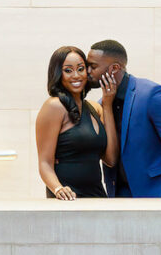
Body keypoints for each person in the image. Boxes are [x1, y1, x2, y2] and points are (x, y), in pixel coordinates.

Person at [86, 40, 161, 197]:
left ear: (114, 68)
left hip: (158, 194)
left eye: (93, 66)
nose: (87, 71)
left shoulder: (152, 94)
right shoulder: (102, 105)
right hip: (119, 197)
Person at [36, 46, 119, 200]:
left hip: (97, 196)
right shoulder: (54, 106)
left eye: (80, 69)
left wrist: (107, 105)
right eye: (68, 70)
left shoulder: (95, 108)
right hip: (67, 198)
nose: (76, 75)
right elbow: (44, 163)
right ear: (58, 74)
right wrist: (58, 189)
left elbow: (110, 159)